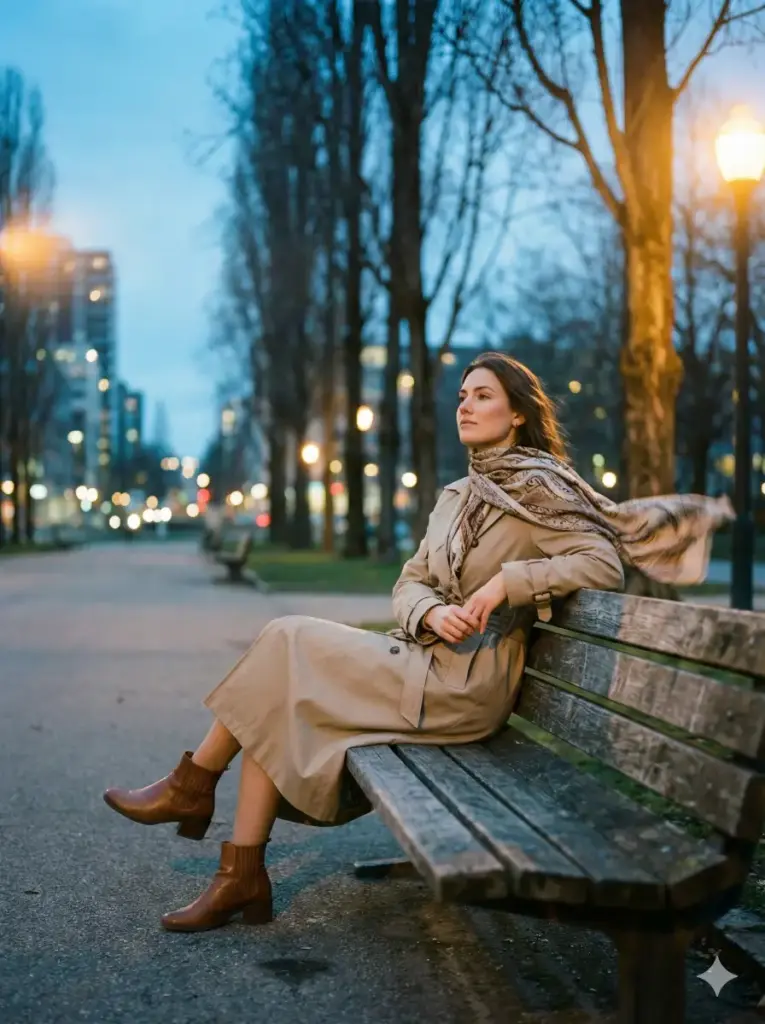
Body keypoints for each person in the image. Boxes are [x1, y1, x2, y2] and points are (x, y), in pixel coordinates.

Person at [103, 351, 732, 933]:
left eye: (482, 396)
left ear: (517, 414)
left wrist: (507, 585)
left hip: (468, 686)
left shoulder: (545, 489)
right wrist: (430, 613)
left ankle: (197, 792)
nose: (464, 405)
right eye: (461, 395)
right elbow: (410, 583)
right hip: (426, 657)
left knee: (284, 639)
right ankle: (239, 875)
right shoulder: (457, 496)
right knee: (277, 680)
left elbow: (602, 566)